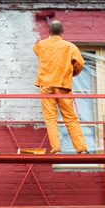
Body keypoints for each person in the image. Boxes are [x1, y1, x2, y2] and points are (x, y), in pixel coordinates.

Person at [33, 20, 88, 155]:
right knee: (70, 117)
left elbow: (36, 50)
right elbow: (80, 63)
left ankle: (56, 148)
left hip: (46, 85)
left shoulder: (41, 45)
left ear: (49, 32)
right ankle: (81, 149)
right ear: (62, 31)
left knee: (50, 118)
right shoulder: (70, 47)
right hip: (63, 85)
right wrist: (72, 73)